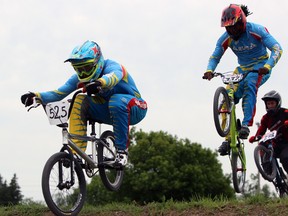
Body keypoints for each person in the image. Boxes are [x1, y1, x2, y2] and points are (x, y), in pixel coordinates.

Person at [21, 40, 148, 166]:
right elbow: (59, 93)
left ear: (97, 62)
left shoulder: (112, 66)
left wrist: (99, 83)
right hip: (108, 109)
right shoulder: (79, 78)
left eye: (86, 68)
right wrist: (36, 97)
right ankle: (76, 152)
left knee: (116, 101)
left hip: (135, 108)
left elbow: (112, 77)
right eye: (78, 69)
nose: (83, 73)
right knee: (79, 100)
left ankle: (122, 152)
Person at [202, 4, 282, 156]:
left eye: (234, 27)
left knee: (250, 84)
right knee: (227, 94)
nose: (232, 31)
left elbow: (277, 48)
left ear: (242, 22)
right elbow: (215, 56)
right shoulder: (225, 39)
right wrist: (209, 70)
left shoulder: (256, 30)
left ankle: (245, 125)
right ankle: (228, 137)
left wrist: (268, 65)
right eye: (228, 28)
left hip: (260, 66)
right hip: (242, 68)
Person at [249, 90, 288, 174]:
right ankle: (269, 170)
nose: (270, 106)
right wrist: (256, 137)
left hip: (286, 143)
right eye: (268, 104)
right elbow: (262, 128)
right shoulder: (266, 118)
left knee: (285, 157)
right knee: (263, 144)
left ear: (278, 103)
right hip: (276, 144)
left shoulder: (285, 112)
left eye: (272, 103)